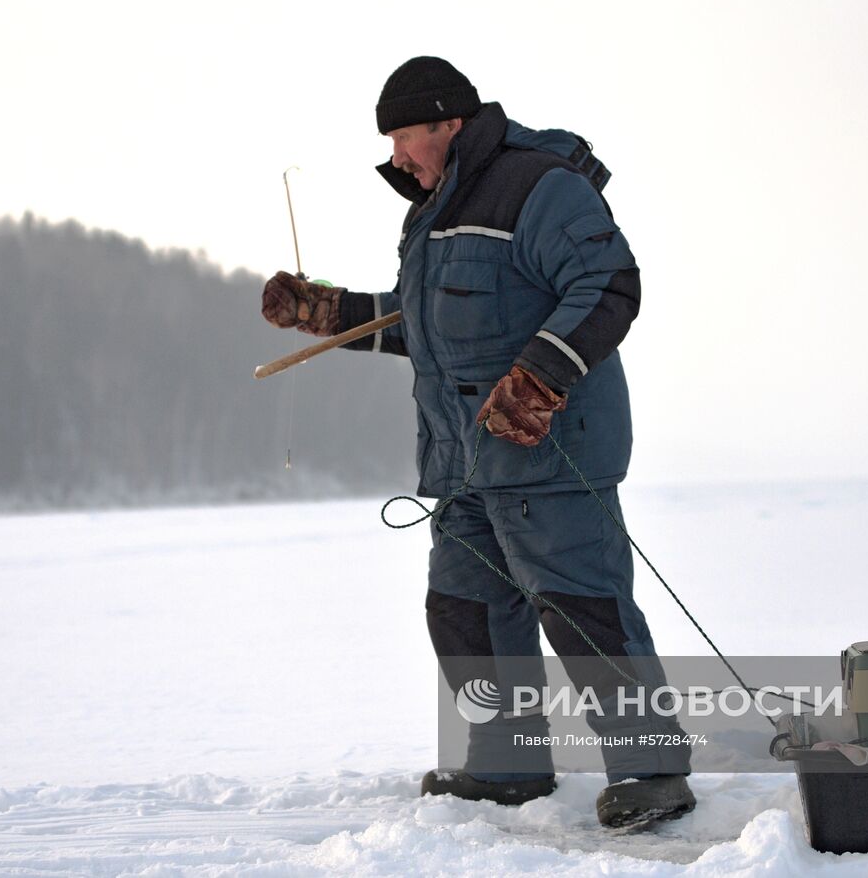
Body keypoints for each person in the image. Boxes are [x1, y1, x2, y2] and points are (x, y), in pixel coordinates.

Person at [260, 57, 695, 828]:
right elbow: (427, 325)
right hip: (464, 465)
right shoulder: (432, 210)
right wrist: (328, 312)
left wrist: (538, 379)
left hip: (550, 453)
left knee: (582, 607)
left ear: (447, 123)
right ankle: (508, 765)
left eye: (402, 137)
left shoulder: (539, 187)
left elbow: (611, 285)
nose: (394, 156)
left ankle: (651, 769)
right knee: (462, 608)